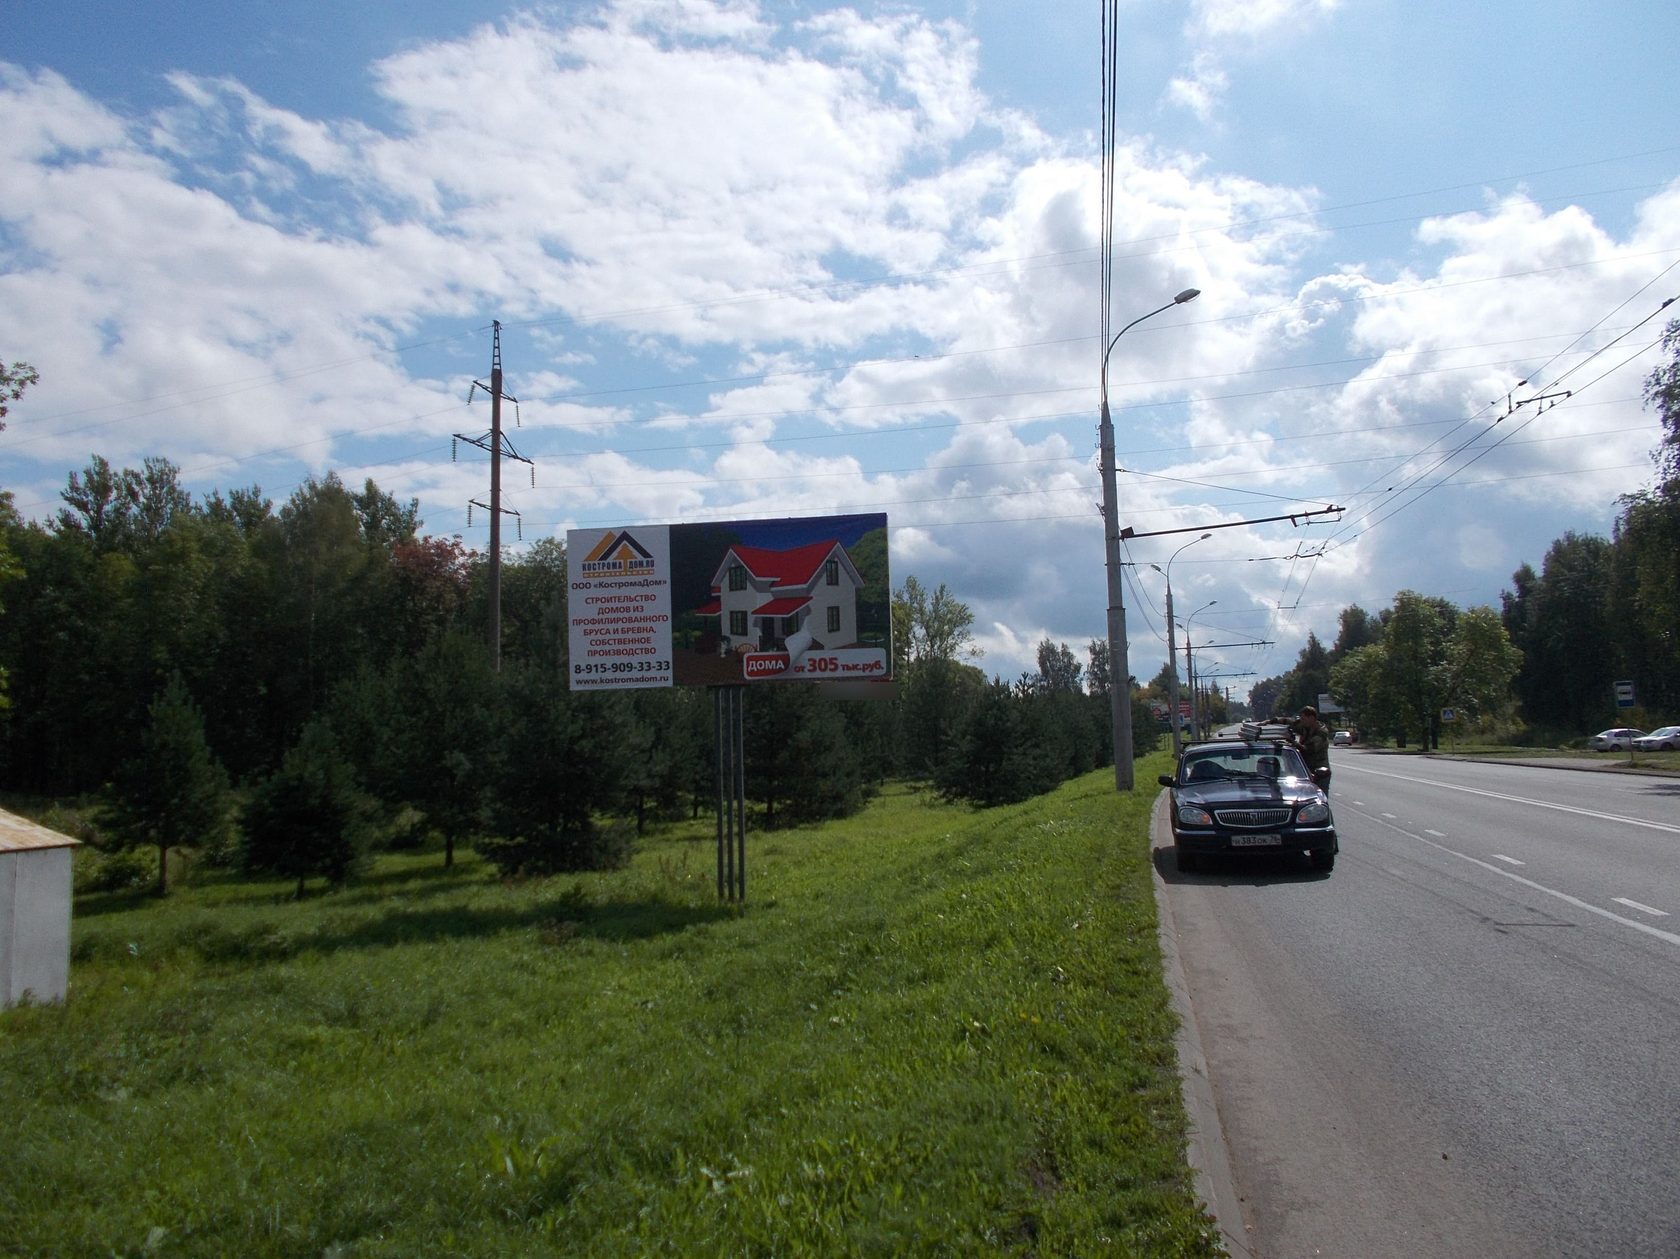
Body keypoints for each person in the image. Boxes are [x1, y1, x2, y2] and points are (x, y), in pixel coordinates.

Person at [1289, 705, 1331, 790]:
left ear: (1311, 718)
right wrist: (1269, 721)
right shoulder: (1306, 727)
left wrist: (1293, 743)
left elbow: (1309, 749)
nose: (1302, 721)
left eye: (1303, 719)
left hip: (1319, 773)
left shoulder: (1321, 732)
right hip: (1304, 772)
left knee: (1319, 799)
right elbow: (1290, 722)